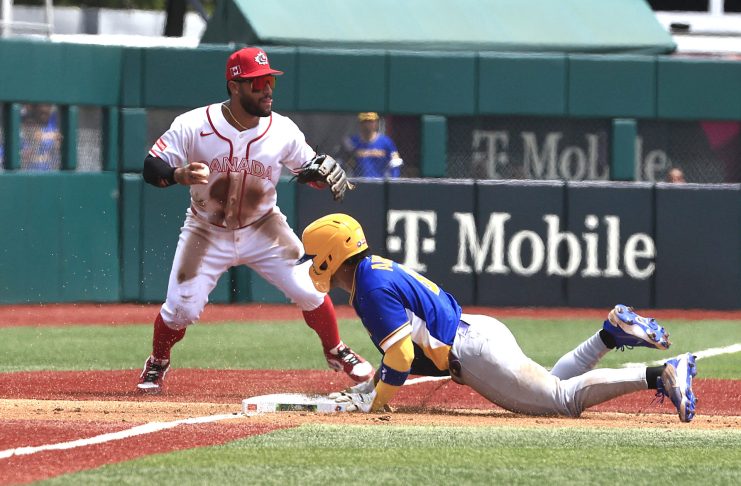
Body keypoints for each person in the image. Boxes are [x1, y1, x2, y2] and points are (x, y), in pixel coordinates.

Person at [298, 213, 698, 422]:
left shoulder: (368, 288)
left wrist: (377, 401)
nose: (314, 263)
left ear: (331, 255)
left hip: (471, 353)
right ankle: (610, 335)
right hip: (479, 331)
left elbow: (401, 356)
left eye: (315, 256)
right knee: (555, 383)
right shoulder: (375, 271)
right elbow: (408, 346)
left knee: (563, 402)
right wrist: (372, 386)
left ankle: (660, 373)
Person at [137, 47, 373, 393]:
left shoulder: (283, 130)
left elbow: (308, 169)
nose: (267, 89)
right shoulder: (192, 125)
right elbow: (150, 167)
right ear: (234, 86)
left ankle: (336, 349)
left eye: (269, 81)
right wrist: (176, 174)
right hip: (206, 229)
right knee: (180, 311)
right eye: (257, 83)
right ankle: (158, 361)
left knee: (310, 288)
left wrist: (321, 177)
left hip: (264, 228)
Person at [339, 112, 403, 178]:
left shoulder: (386, 142)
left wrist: (393, 179)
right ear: (360, 123)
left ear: (376, 123)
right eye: (365, 121)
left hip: (379, 182)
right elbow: (341, 161)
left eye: (371, 121)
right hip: (358, 182)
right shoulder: (352, 142)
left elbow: (396, 162)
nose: (368, 124)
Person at [20, 103, 61, 171]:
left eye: (48, 106)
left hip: (49, 172)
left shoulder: (53, 120)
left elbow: (59, 138)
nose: (45, 109)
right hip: (28, 173)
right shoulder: (24, 120)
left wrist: (46, 137)